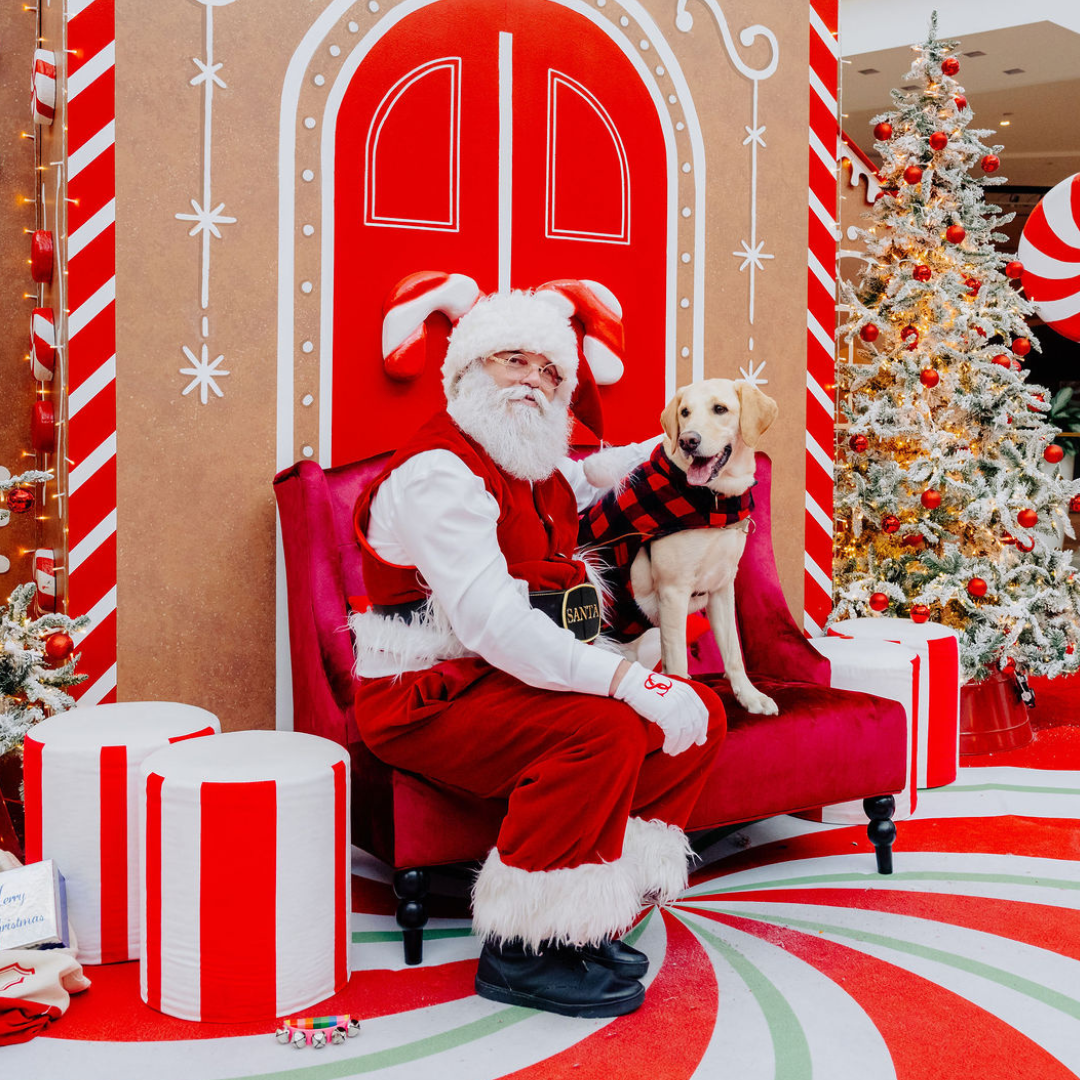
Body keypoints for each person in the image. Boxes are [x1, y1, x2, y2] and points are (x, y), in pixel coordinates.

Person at [351, 289, 727, 1018]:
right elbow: (493, 624)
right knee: (607, 728)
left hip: (493, 683)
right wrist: (629, 681)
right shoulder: (440, 474)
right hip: (424, 697)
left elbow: (587, 480)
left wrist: (672, 445)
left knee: (700, 714)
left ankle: (585, 918)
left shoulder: (531, 469)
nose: (532, 379)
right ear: (466, 373)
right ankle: (522, 949)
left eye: (551, 371)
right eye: (511, 360)